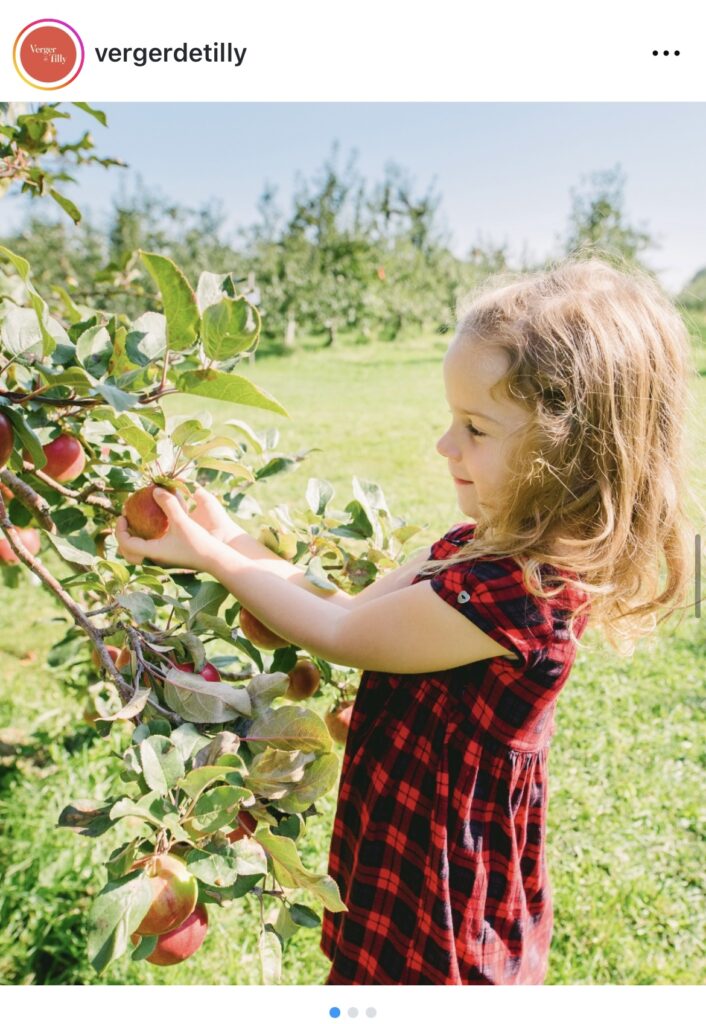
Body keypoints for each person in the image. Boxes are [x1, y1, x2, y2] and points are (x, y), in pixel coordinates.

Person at [115, 255, 700, 985]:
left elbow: (338, 636)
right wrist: (226, 535)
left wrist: (215, 560)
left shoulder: (521, 595)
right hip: (406, 834)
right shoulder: (477, 547)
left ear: (568, 454)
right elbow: (346, 606)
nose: (444, 446)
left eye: (475, 429)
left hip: (444, 876)